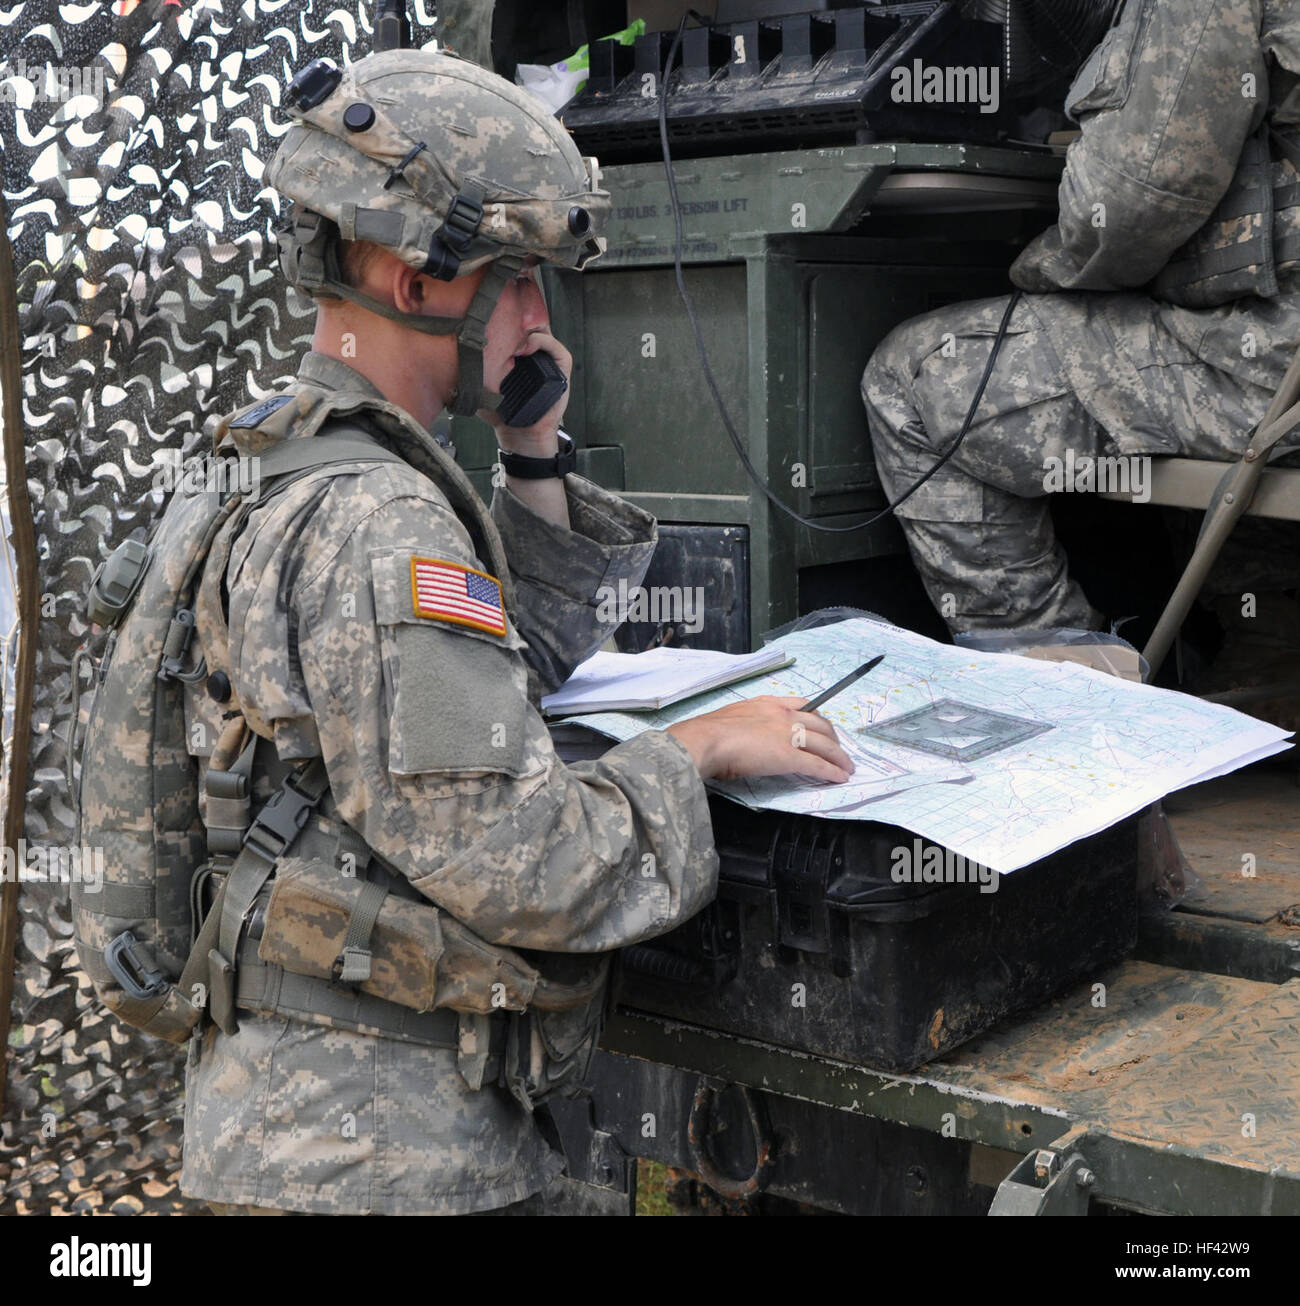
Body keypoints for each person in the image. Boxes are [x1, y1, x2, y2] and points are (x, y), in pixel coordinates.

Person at [178, 47, 852, 1215]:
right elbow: (527, 866)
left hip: (298, 1129)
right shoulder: (382, 521)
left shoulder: (281, 451)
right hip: (379, 1169)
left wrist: (533, 460)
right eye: (519, 275)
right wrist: (695, 753)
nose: (542, 316)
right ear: (413, 275)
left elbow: (466, 699)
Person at [862, 0, 1300, 638]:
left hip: (1273, 370)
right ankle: (1263, 650)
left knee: (918, 375)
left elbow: (1127, 208)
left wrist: (1031, 276)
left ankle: (1057, 685)